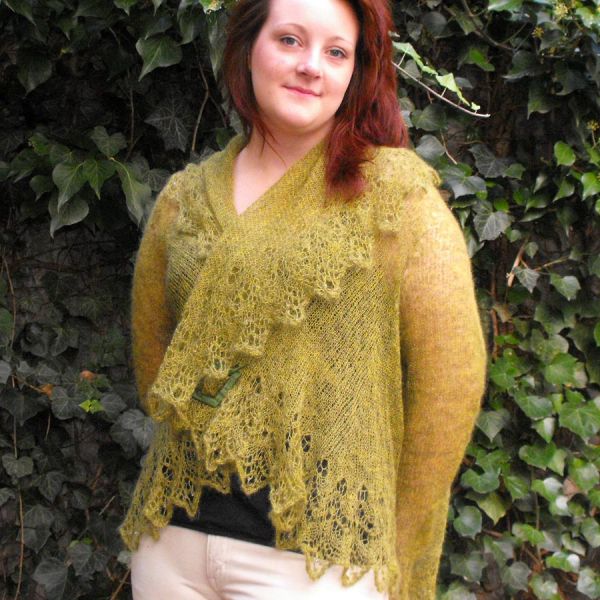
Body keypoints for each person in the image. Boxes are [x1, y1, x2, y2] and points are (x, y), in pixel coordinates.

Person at [120, 0, 487, 598]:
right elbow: (155, 360)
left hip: (318, 566)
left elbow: (451, 382)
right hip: (173, 548)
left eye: (336, 52)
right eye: (290, 40)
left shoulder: (397, 199)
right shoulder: (184, 199)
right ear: (249, 48)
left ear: (354, 73)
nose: (312, 65)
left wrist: (395, 538)